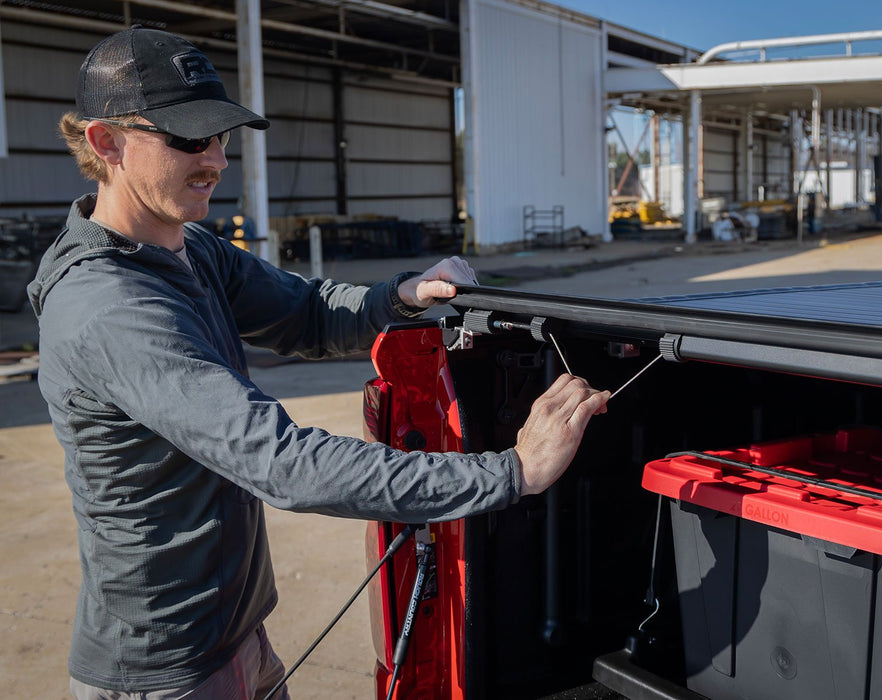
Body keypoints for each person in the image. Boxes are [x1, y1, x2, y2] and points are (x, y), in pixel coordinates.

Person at [28, 26, 609, 700]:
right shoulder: (108, 304)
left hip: (237, 635)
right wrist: (512, 472)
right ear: (106, 142)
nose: (216, 160)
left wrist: (402, 296)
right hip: (166, 668)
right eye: (189, 138)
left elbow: (304, 312)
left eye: (222, 137)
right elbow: (281, 461)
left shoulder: (189, 249)